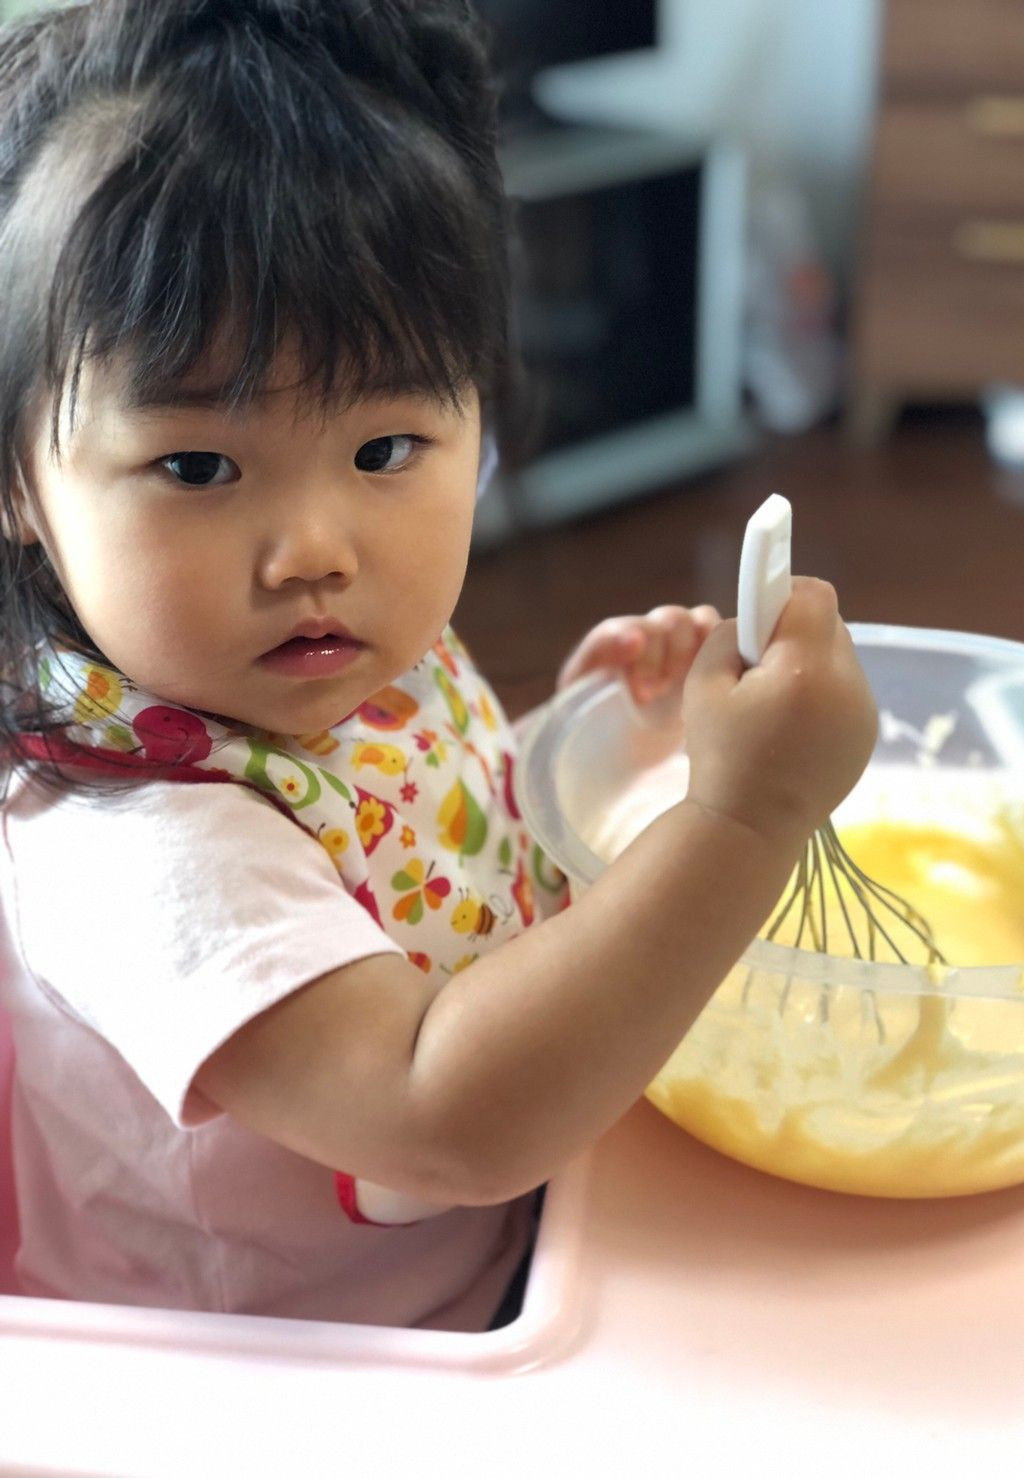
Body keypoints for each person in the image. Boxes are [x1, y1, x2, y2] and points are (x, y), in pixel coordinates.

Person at [0, 0, 877, 1332]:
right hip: (298, 1371)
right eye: (197, 465)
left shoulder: (309, 661)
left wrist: (567, 742)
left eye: (384, 450)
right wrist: (743, 817)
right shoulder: (145, 845)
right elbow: (441, 1112)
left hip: (504, 1260)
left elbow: (400, 838)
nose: (313, 549)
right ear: (18, 480)